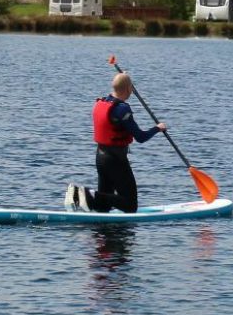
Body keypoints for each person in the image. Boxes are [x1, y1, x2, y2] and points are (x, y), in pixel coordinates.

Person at [67, 72, 167, 213]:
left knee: (104, 206)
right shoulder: (121, 109)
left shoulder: (102, 103)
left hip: (100, 158)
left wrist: (124, 79)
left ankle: (83, 200)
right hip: (115, 160)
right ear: (127, 89)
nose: (132, 92)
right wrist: (158, 128)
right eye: (131, 89)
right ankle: (82, 194)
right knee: (130, 205)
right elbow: (140, 137)